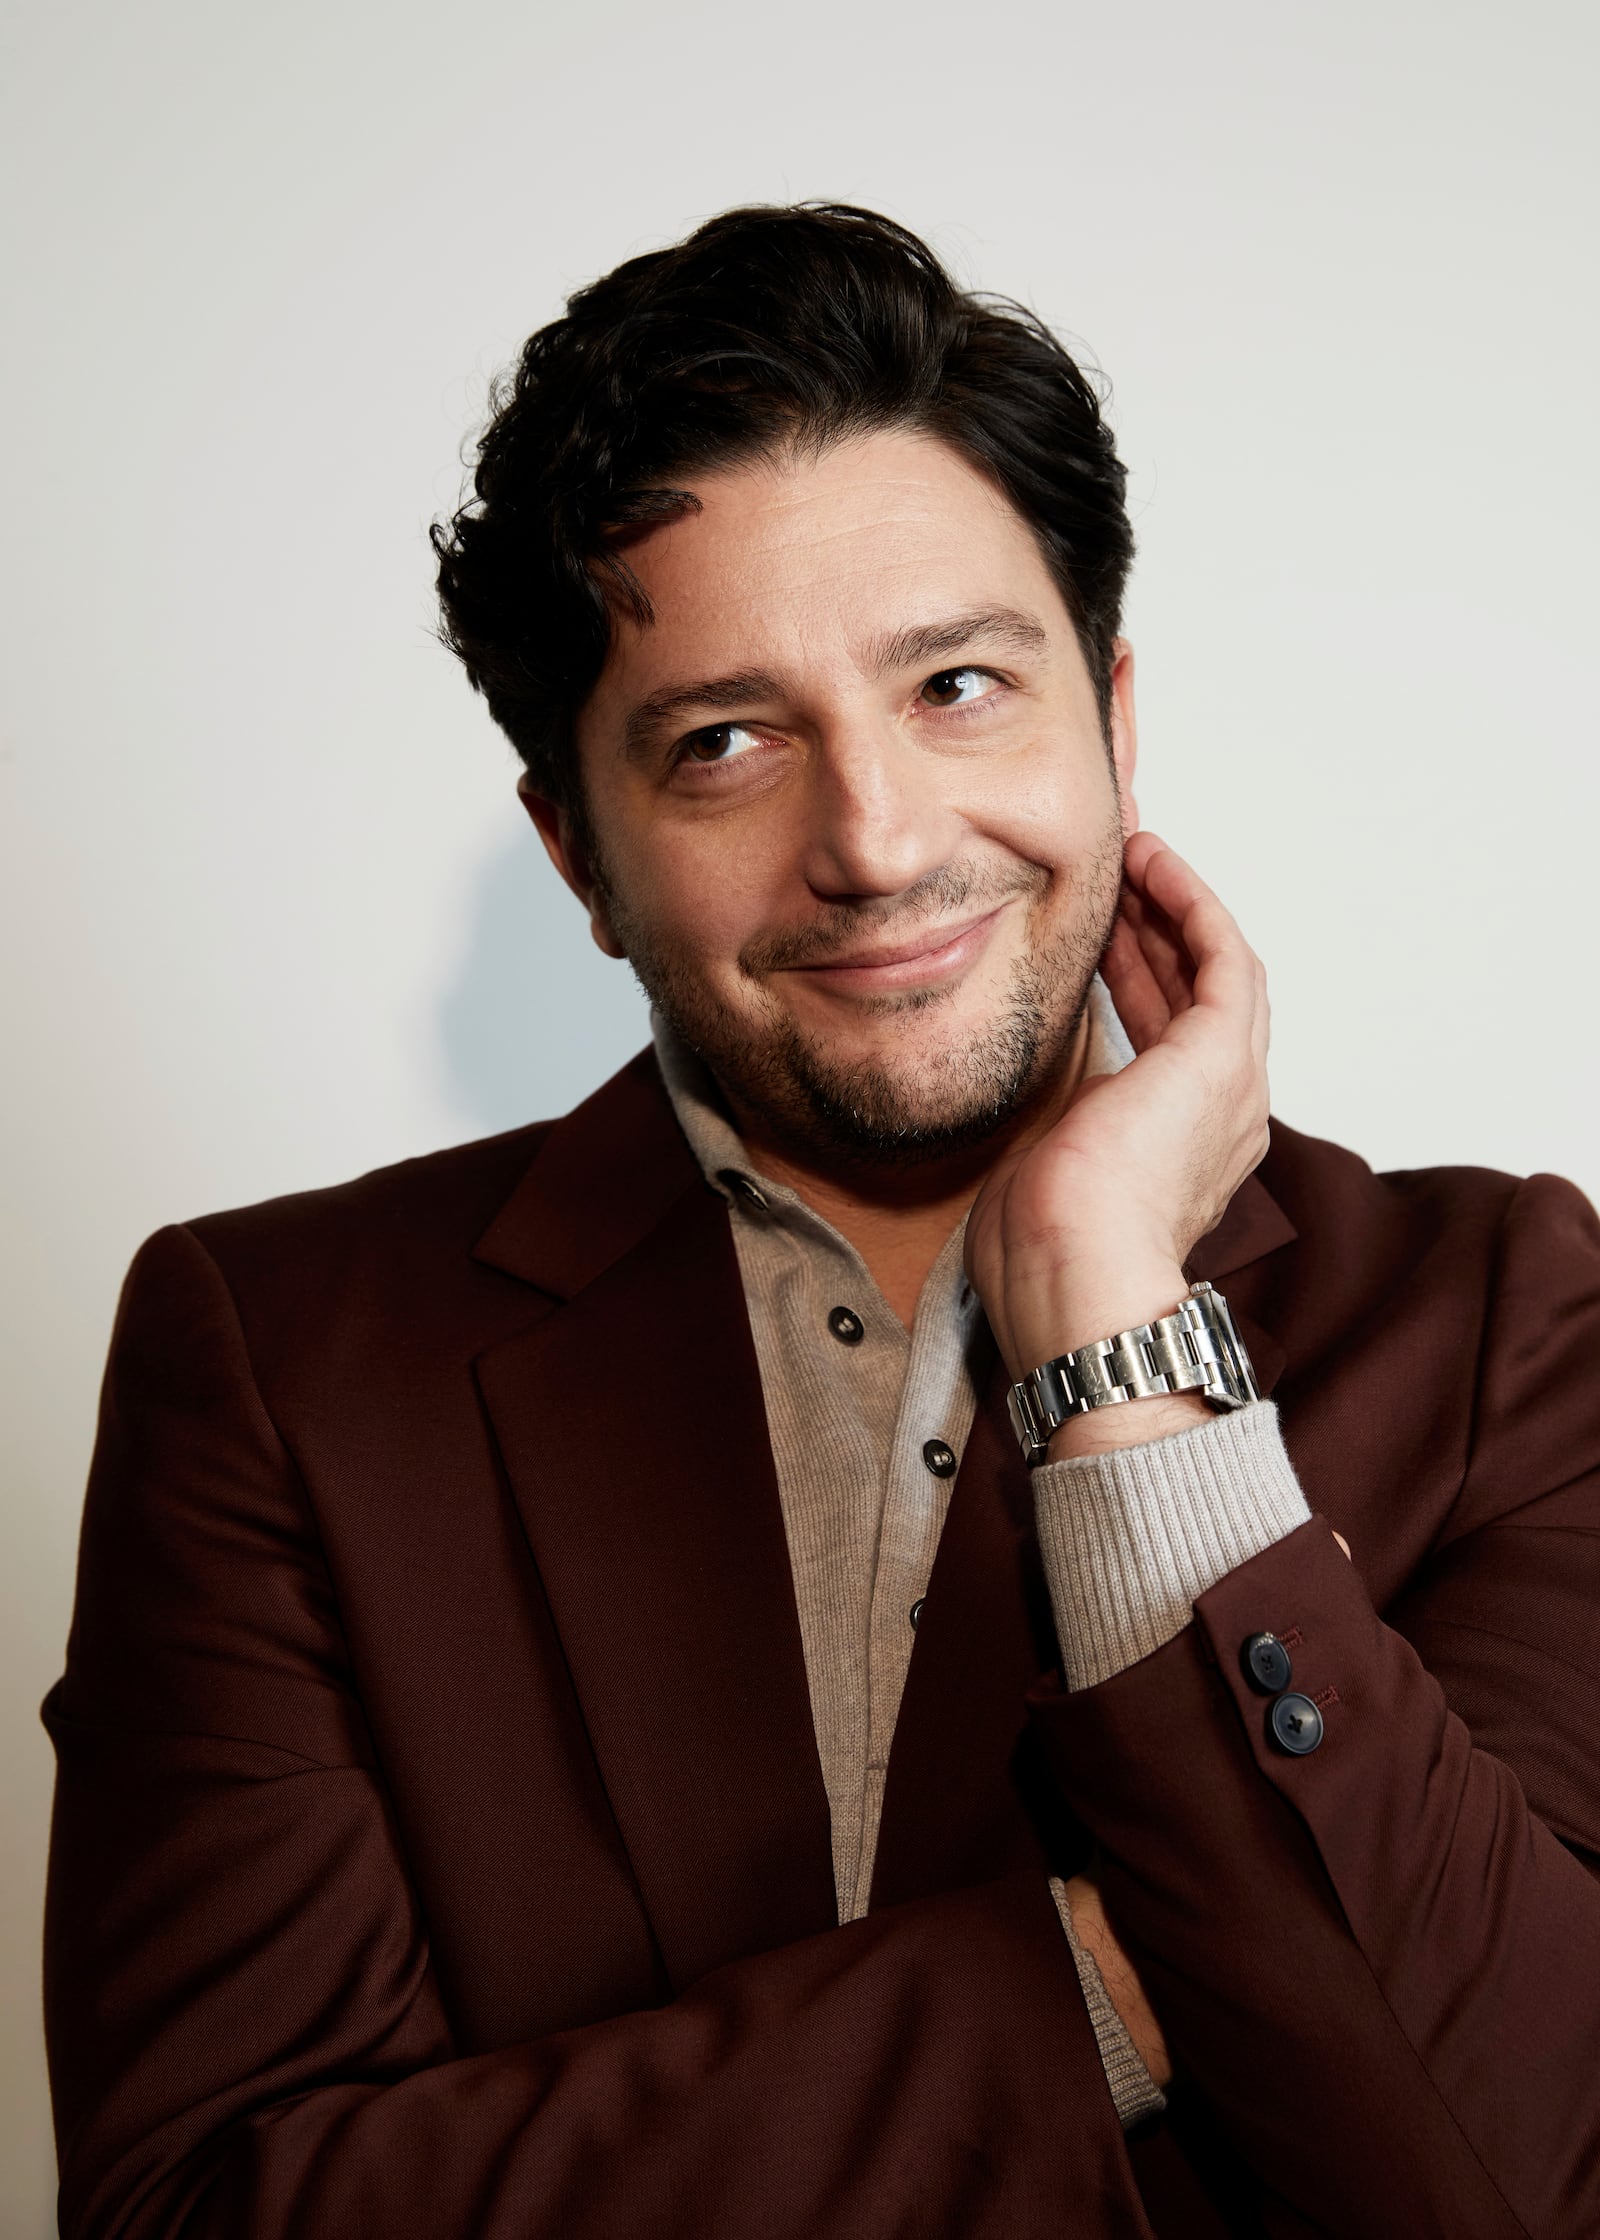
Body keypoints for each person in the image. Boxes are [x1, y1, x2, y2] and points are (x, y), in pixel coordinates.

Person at [40, 201, 1600, 2238]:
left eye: (955, 683)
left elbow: (1522, 2177)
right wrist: (1124, 1983)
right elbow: (199, 2212)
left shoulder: (1502, 1322)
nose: (873, 840)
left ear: (1111, 723)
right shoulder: (277, 1360)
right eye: (724, 742)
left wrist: (1115, 1326)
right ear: (576, 854)